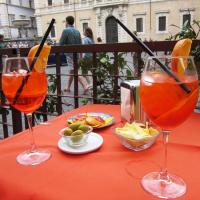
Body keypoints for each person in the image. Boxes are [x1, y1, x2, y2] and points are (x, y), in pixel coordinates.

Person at [59, 16, 88, 94]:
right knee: (72, 71)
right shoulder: (77, 31)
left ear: (67, 22)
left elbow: (61, 43)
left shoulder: (65, 30)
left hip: (70, 55)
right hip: (77, 54)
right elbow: (80, 44)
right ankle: (68, 87)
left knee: (74, 71)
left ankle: (85, 86)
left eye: (65, 22)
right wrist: (81, 56)